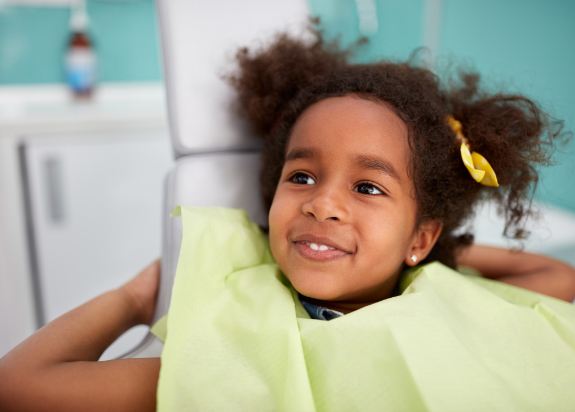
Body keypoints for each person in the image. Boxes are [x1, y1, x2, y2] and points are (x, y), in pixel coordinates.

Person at [1, 27, 575, 411]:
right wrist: (133, 299)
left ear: (420, 234)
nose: (321, 204)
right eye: (301, 176)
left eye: (368, 187)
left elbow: (559, 281)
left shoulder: (445, 295)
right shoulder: (234, 345)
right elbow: (20, 386)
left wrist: (438, 252)